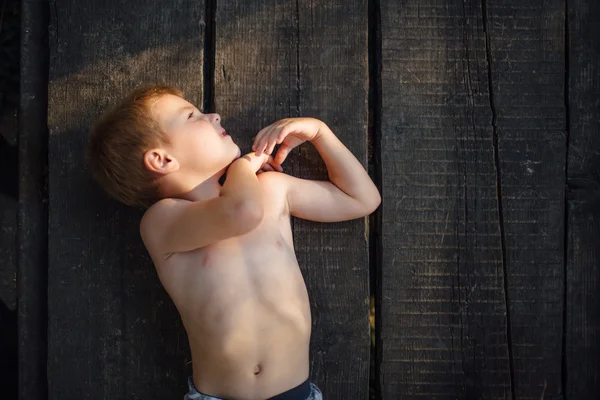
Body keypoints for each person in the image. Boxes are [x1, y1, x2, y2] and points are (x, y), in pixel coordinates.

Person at [87, 85, 381, 400]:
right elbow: (241, 212)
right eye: (192, 116)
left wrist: (320, 134)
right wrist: (242, 167)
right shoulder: (163, 222)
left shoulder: (272, 189)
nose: (214, 115)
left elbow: (361, 199)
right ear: (162, 159)